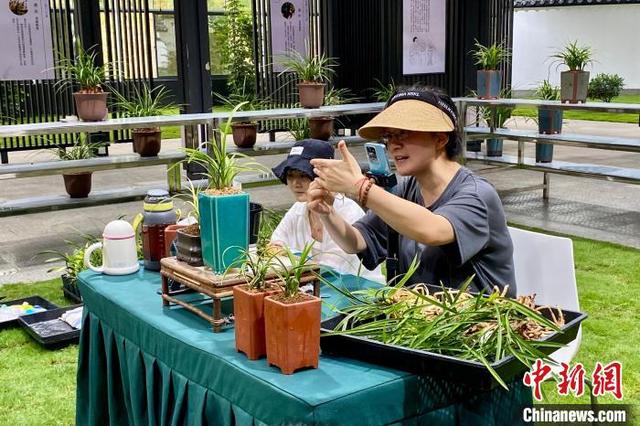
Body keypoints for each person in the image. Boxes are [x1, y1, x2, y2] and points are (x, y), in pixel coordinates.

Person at [308, 86, 517, 296]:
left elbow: (432, 230)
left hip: (479, 324)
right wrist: (327, 212)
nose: (394, 145)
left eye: (404, 134)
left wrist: (360, 187)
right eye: (389, 136)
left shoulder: (477, 194)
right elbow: (357, 241)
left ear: (441, 138)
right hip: (418, 319)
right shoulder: (406, 189)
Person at [270, 139, 384, 283]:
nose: (295, 184)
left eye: (303, 175)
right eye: (290, 176)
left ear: (324, 176)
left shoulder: (349, 212)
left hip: (356, 291)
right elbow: (274, 246)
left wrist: (290, 259)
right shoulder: (298, 209)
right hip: (312, 286)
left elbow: (332, 270)